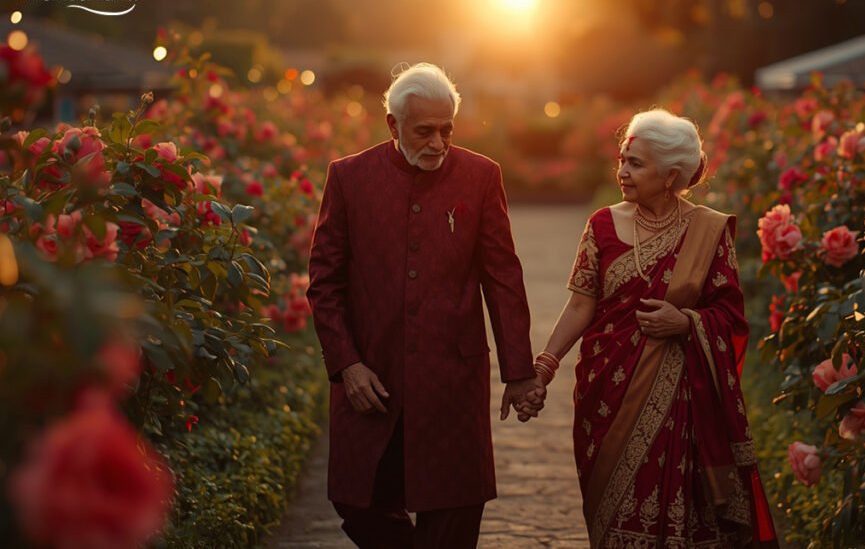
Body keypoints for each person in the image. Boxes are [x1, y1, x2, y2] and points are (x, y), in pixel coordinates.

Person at [306, 63, 545, 549]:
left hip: (452, 378)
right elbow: (324, 284)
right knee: (357, 501)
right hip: (372, 376)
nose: (438, 143)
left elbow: (503, 278)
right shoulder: (349, 178)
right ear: (393, 126)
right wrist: (347, 364)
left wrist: (518, 372)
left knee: (454, 510)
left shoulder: (480, 176)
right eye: (424, 131)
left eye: (447, 130)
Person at [531, 109, 779, 548]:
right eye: (623, 160)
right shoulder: (602, 225)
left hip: (684, 397)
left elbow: (731, 315)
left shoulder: (708, 230)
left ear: (670, 175)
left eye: (636, 163)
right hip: (606, 392)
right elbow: (580, 304)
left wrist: (685, 321)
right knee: (609, 510)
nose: (623, 172)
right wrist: (545, 366)